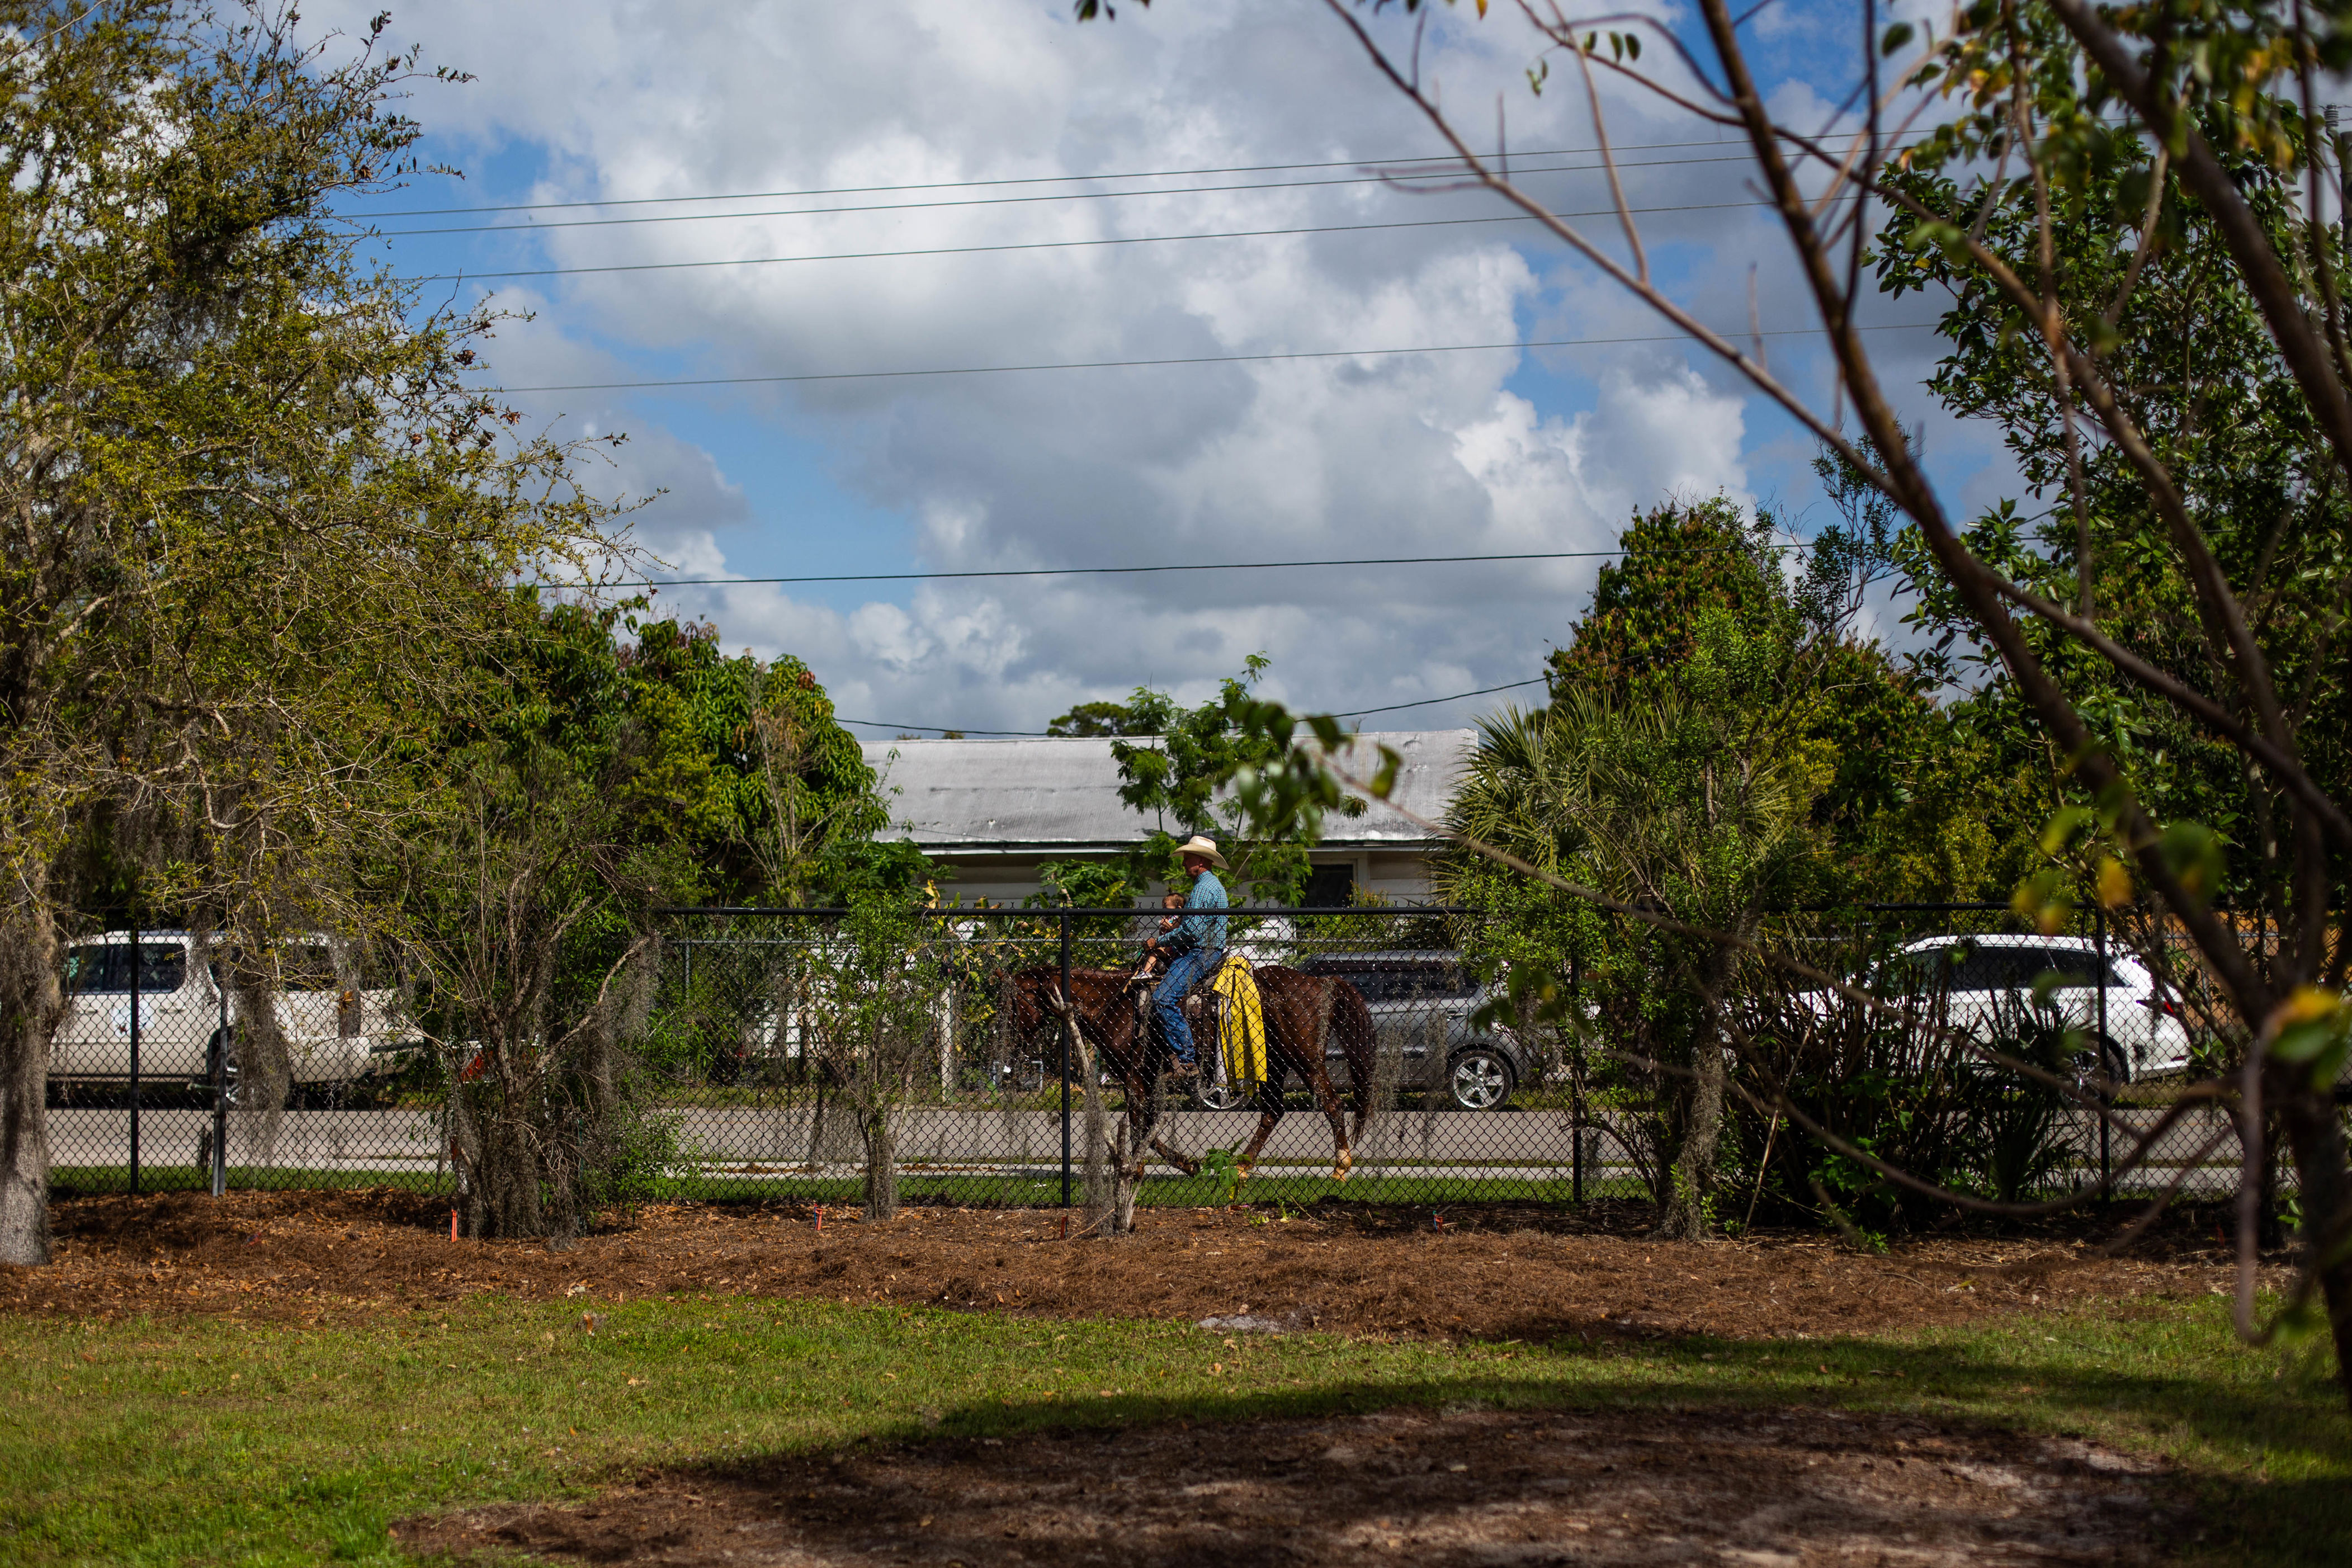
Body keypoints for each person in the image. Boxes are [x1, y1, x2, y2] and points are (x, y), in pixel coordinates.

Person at [1141, 834, 1228, 1079]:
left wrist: (1159, 941)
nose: (1183, 863)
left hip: (1200, 953)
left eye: (1187, 858)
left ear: (1200, 860)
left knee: (1163, 999)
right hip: (1202, 950)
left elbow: (1193, 931)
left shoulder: (1203, 889)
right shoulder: (1209, 886)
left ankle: (1186, 1060)